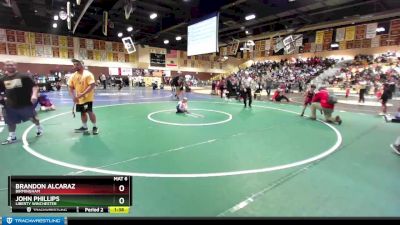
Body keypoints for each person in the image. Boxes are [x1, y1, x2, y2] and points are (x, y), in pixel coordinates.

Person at [0, 61, 43, 145]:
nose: (9, 66)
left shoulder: (24, 76)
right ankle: (12, 136)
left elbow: (35, 86)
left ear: (15, 66)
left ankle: (39, 127)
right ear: (4, 67)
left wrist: (34, 95)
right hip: (10, 104)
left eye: (11, 65)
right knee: (10, 121)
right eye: (7, 65)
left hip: (25, 103)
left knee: (33, 118)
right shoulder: (2, 79)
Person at [68, 59, 99, 135]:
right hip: (79, 99)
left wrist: (82, 94)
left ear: (82, 65)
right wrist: (73, 97)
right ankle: (85, 127)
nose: (75, 66)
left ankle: (95, 127)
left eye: (77, 64)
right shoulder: (73, 76)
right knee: (82, 113)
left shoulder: (88, 74)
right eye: (74, 65)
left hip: (87, 98)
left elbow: (92, 85)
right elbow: (70, 87)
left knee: (89, 112)